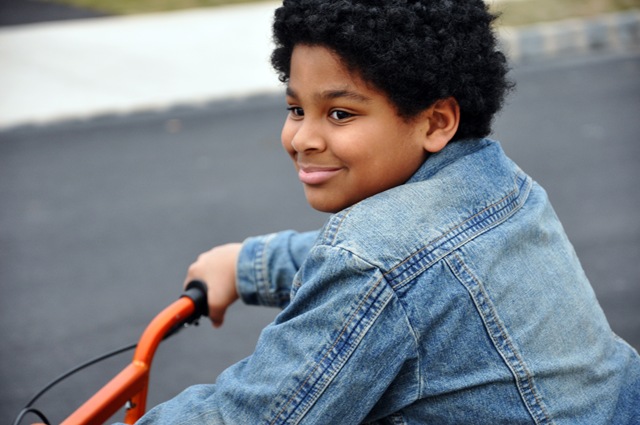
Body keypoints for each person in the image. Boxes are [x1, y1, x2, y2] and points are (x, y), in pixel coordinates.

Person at [130, 0, 640, 423]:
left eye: (340, 113)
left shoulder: (375, 258)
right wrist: (247, 264)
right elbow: (404, 267)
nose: (303, 138)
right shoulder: (499, 184)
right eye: (296, 109)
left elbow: (257, 413)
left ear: (435, 122)